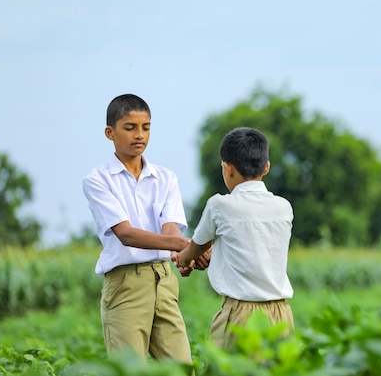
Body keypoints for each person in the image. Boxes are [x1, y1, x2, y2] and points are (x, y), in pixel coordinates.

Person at [82, 93, 209, 367]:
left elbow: (170, 228)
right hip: (126, 283)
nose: (139, 135)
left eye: (146, 127)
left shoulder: (165, 177)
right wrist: (187, 248)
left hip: (163, 281)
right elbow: (125, 234)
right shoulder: (98, 180)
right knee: (129, 371)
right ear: (110, 132)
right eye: (130, 128)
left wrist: (185, 253)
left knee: (181, 368)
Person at [175, 127, 294, 349]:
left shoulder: (220, 205)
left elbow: (196, 247)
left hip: (242, 313)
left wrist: (183, 259)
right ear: (266, 167)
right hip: (281, 313)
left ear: (227, 168)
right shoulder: (283, 207)